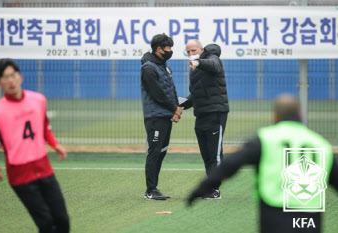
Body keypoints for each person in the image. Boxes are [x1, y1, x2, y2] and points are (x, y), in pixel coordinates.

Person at [187, 94, 338, 233]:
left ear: (275, 116)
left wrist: (201, 188)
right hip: (310, 218)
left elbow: (232, 164)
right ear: (300, 114)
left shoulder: (265, 138)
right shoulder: (320, 143)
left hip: (275, 214)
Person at [0, 59, 70, 233]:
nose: (10, 80)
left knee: (62, 220)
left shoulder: (38, 100)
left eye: (13, 75)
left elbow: (44, 127)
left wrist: (55, 145)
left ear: (20, 77)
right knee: (46, 224)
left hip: (44, 169)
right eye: (5, 77)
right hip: (20, 176)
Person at [180, 40, 229, 199]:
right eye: (188, 52)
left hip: (215, 112)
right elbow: (196, 94)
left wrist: (198, 62)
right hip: (201, 114)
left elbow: (213, 65)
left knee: (214, 154)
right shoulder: (194, 68)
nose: (191, 54)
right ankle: (210, 186)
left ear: (201, 49)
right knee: (206, 154)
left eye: (193, 50)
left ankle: (215, 189)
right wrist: (178, 105)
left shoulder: (212, 58)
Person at [140, 33, 183, 200]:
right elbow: (157, 94)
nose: (170, 51)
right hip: (155, 117)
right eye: (168, 48)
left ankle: (154, 188)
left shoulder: (164, 66)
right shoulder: (148, 68)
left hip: (165, 115)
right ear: (158, 49)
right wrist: (174, 108)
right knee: (155, 151)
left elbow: (170, 90)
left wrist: (176, 110)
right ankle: (150, 190)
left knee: (162, 152)